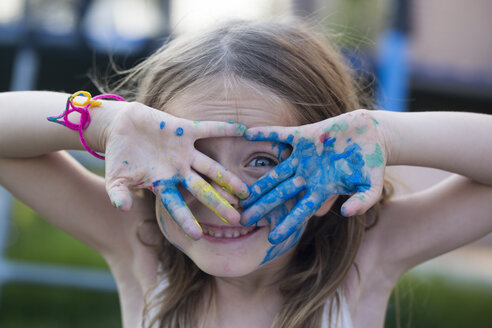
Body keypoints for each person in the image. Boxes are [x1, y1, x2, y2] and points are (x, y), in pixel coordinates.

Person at [1, 19, 491, 328]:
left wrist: (386, 136)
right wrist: (103, 122)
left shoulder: (366, 258)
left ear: (330, 180)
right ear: (147, 169)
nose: (224, 196)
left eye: (264, 160)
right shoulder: (140, 244)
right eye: (194, 157)